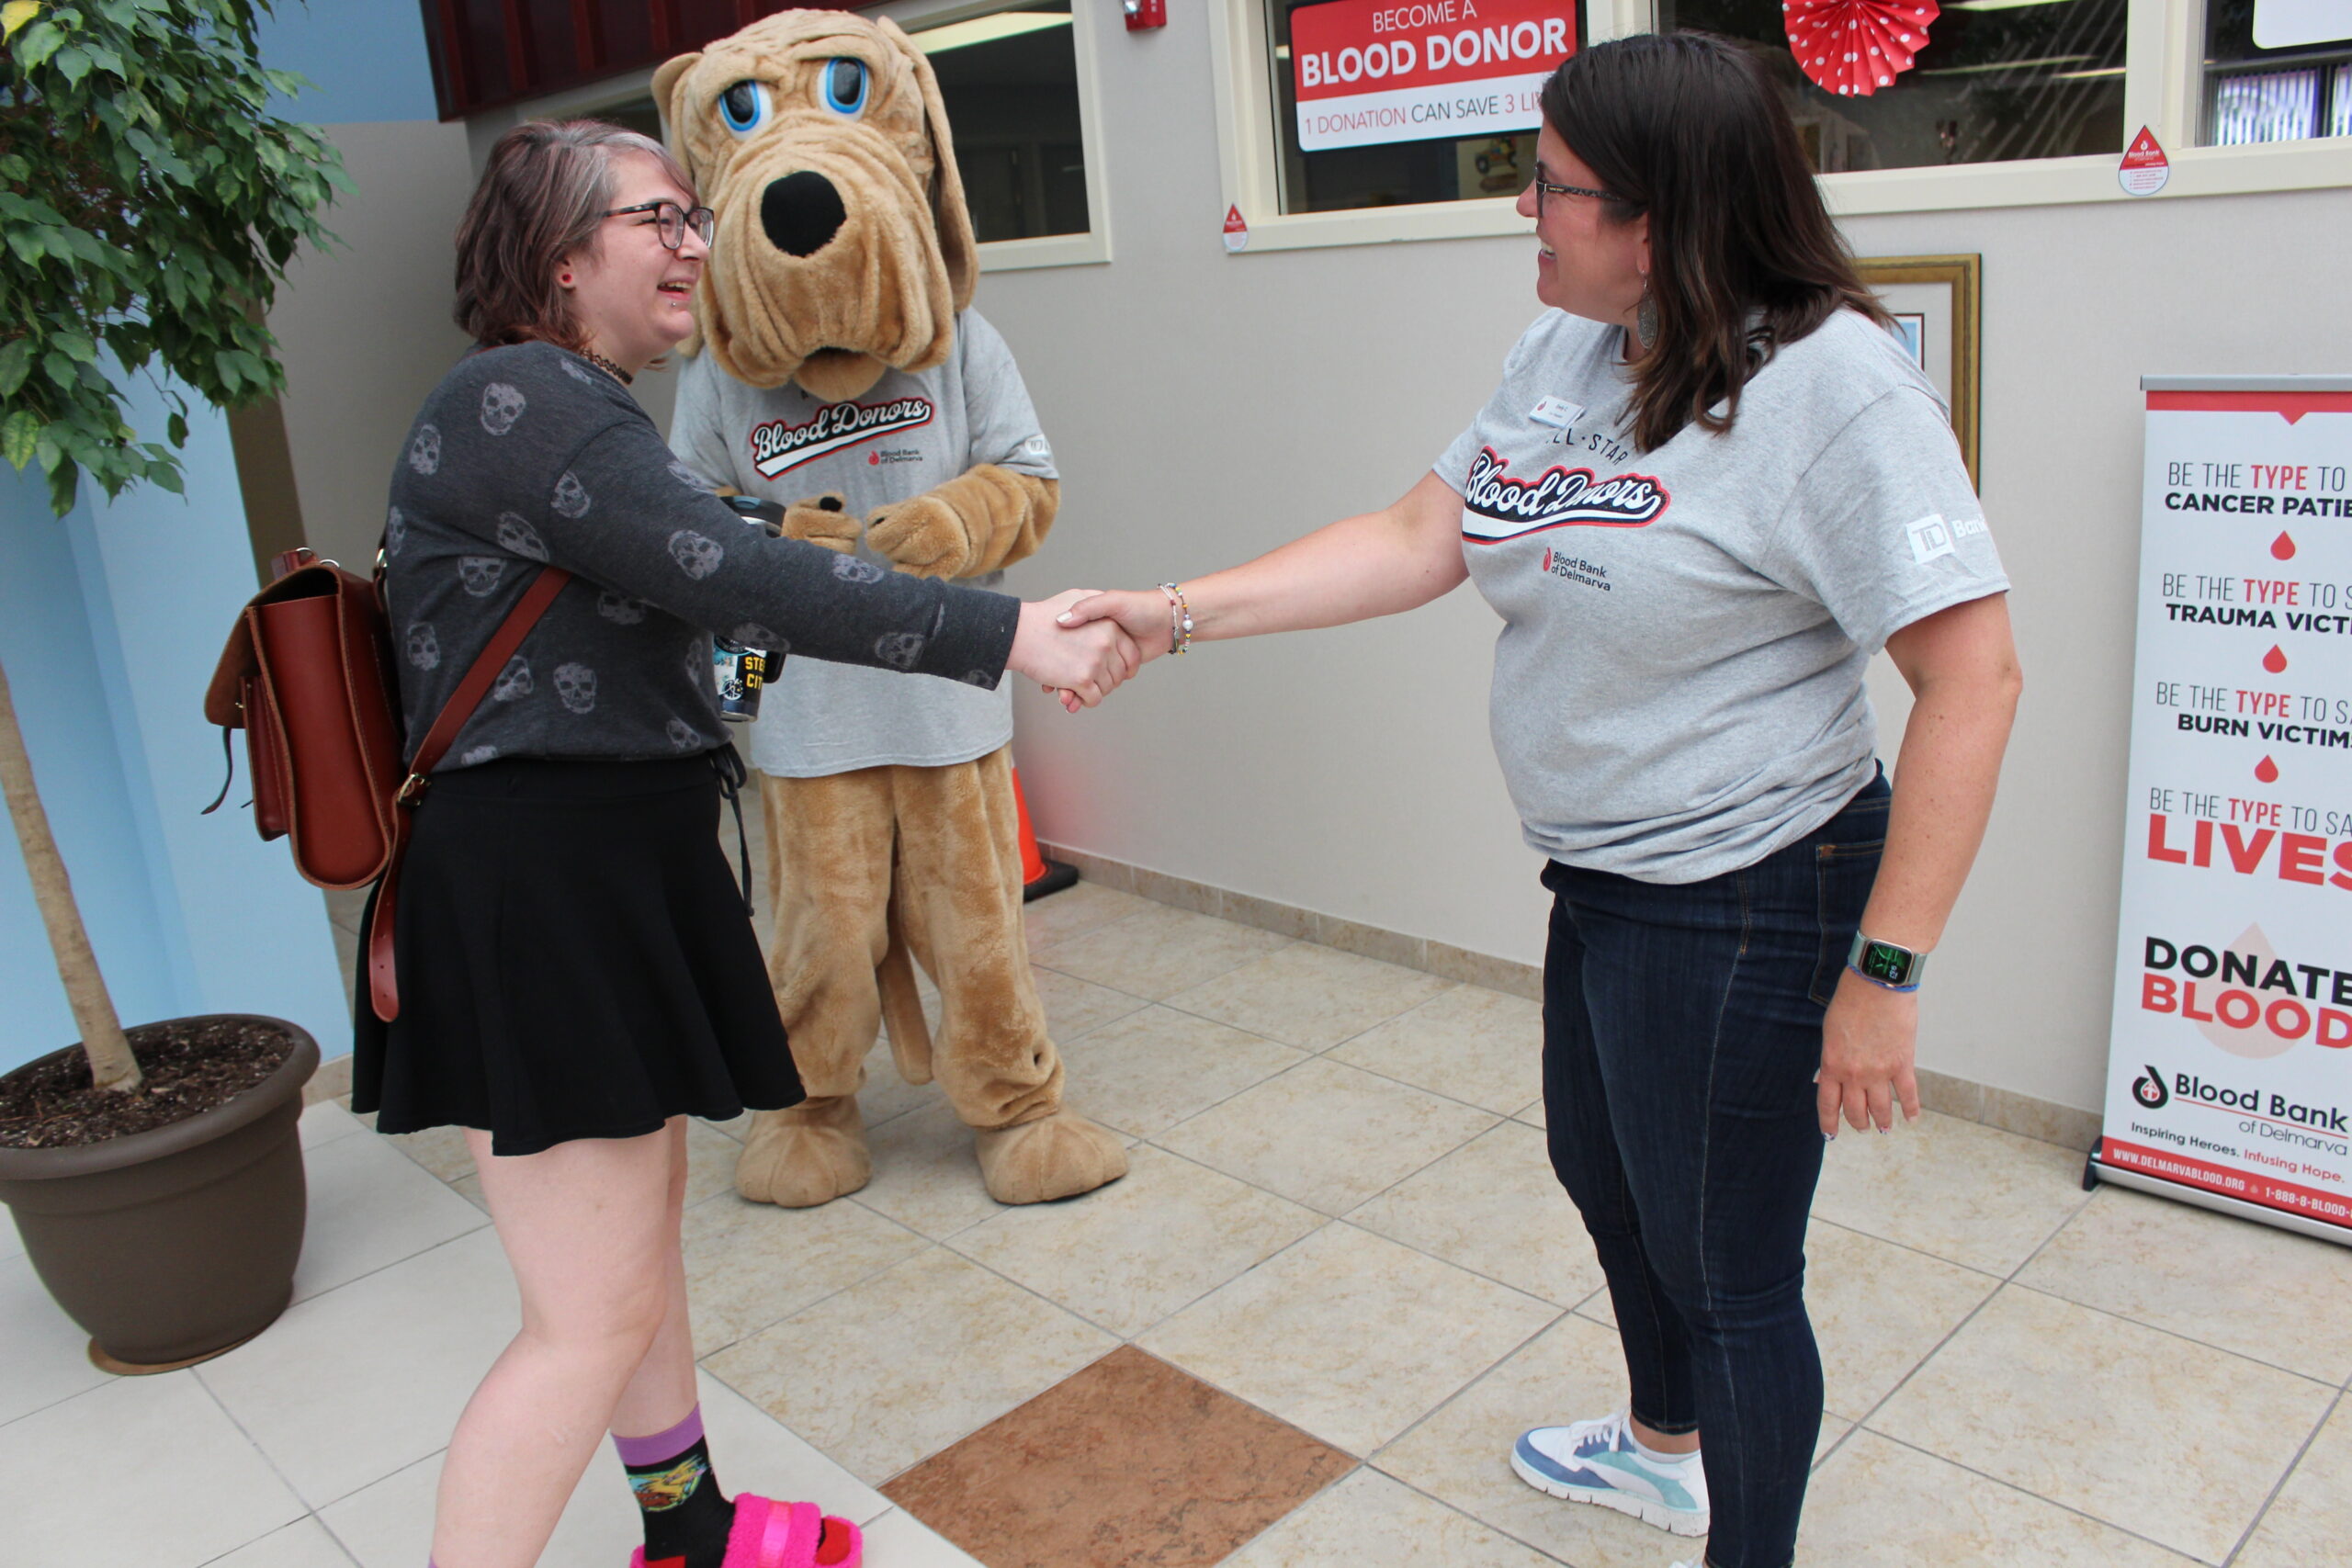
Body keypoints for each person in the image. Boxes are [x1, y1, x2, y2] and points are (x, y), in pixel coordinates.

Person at [1059, 35, 2020, 1568]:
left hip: (1753, 887)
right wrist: (1170, 615)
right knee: (1605, 1176)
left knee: (1733, 1276)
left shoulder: (1836, 389)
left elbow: (1975, 681)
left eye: (1555, 185)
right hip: (1607, 875)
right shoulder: (1573, 350)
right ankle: (1662, 1451)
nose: (1525, 206)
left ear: (1663, 217)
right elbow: (1416, 536)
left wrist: (1885, 974)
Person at [353, 119, 1135, 1568]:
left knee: (634, 1258)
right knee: (582, 1322)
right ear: (558, 255)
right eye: (657, 219)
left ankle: (690, 1530)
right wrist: (1012, 631)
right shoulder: (525, 402)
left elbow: (718, 556)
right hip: (545, 891)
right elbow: (747, 578)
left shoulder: (579, 410)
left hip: (605, 870)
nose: (694, 246)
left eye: (692, 218)